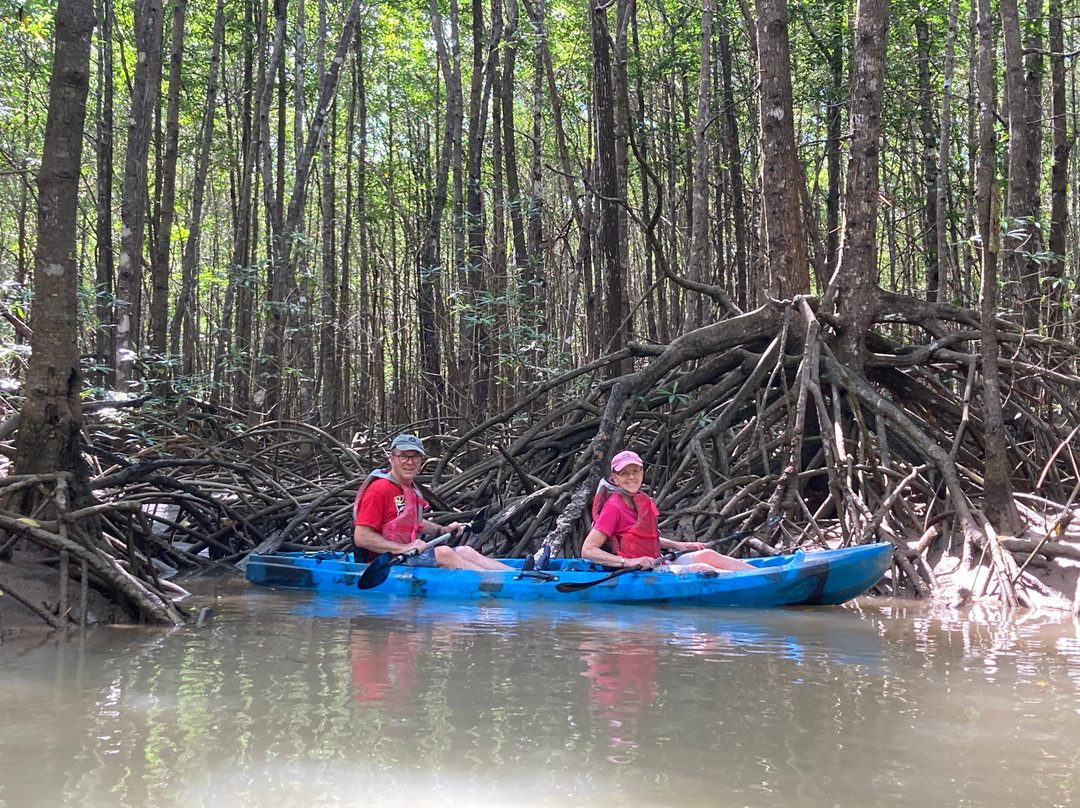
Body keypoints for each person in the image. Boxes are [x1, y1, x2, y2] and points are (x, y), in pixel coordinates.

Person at [352, 433, 512, 571]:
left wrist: (442, 530)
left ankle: (520, 575)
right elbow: (362, 537)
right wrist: (404, 548)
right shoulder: (379, 490)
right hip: (382, 565)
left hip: (405, 556)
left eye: (415, 456)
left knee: (465, 551)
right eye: (403, 456)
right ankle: (496, 586)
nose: (410, 462)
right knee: (445, 553)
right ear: (391, 458)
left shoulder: (408, 487)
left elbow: (411, 522)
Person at [581, 450, 755, 573]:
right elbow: (588, 550)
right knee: (702, 569)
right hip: (638, 572)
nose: (631, 477)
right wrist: (630, 562)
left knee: (708, 555)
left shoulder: (643, 500)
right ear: (615, 479)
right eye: (624, 473)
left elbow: (642, 537)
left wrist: (678, 545)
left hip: (657, 562)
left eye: (635, 471)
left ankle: (767, 575)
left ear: (642, 472)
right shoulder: (613, 509)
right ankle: (756, 585)